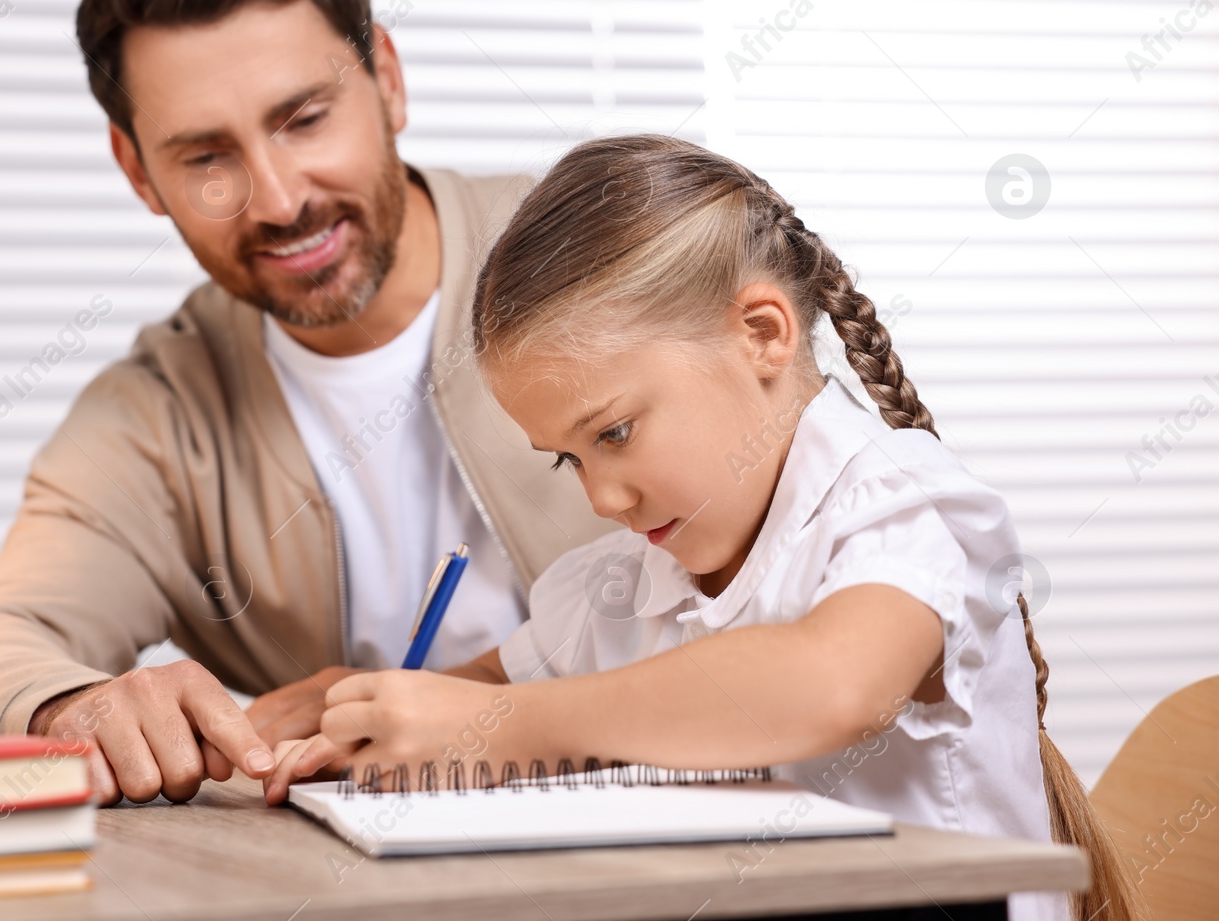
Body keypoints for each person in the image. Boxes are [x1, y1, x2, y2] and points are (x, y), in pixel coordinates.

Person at [263, 136, 1142, 921]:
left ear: (762, 334)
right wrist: (368, 709)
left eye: (613, 433)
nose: (602, 496)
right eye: (569, 458)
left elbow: (833, 683)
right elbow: (493, 683)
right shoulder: (624, 583)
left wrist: (501, 722)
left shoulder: (897, 505)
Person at [0, 0, 615, 804]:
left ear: (387, 80)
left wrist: (488, 706)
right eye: (206, 157)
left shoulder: (603, 254)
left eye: (305, 119)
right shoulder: (163, 409)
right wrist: (73, 705)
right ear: (139, 171)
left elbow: (825, 589)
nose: (278, 201)